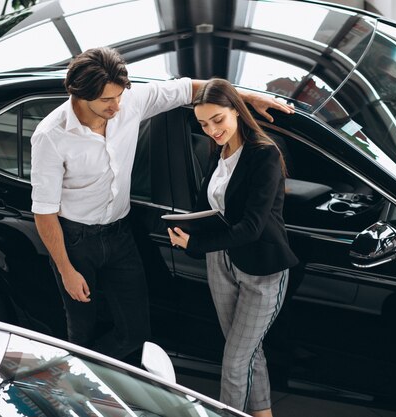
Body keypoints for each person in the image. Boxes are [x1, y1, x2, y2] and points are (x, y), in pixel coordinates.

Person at [30, 47, 295, 362]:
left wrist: (246, 98)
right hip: (75, 241)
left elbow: (190, 89)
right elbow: (44, 212)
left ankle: (82, 367)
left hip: (120, 235)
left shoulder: (129, 102)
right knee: (82, 333)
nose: (117, 106)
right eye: (107, 101)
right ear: (80, 94)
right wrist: (66, 271)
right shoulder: (51, 135)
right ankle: (78, 379)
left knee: (136, 332)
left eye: (119, 96)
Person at [168, 78, 299, 416]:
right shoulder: (219, 152)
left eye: (218, 120)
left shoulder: (265, 155)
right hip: (220, 262)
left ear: (237, 112)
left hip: (262, 268)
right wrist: (185, 230)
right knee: (247, 353)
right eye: (203, 124)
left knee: (235, 361)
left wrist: (196, 242)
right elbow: (209, 207)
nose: (212, 129)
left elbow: (252, 228)